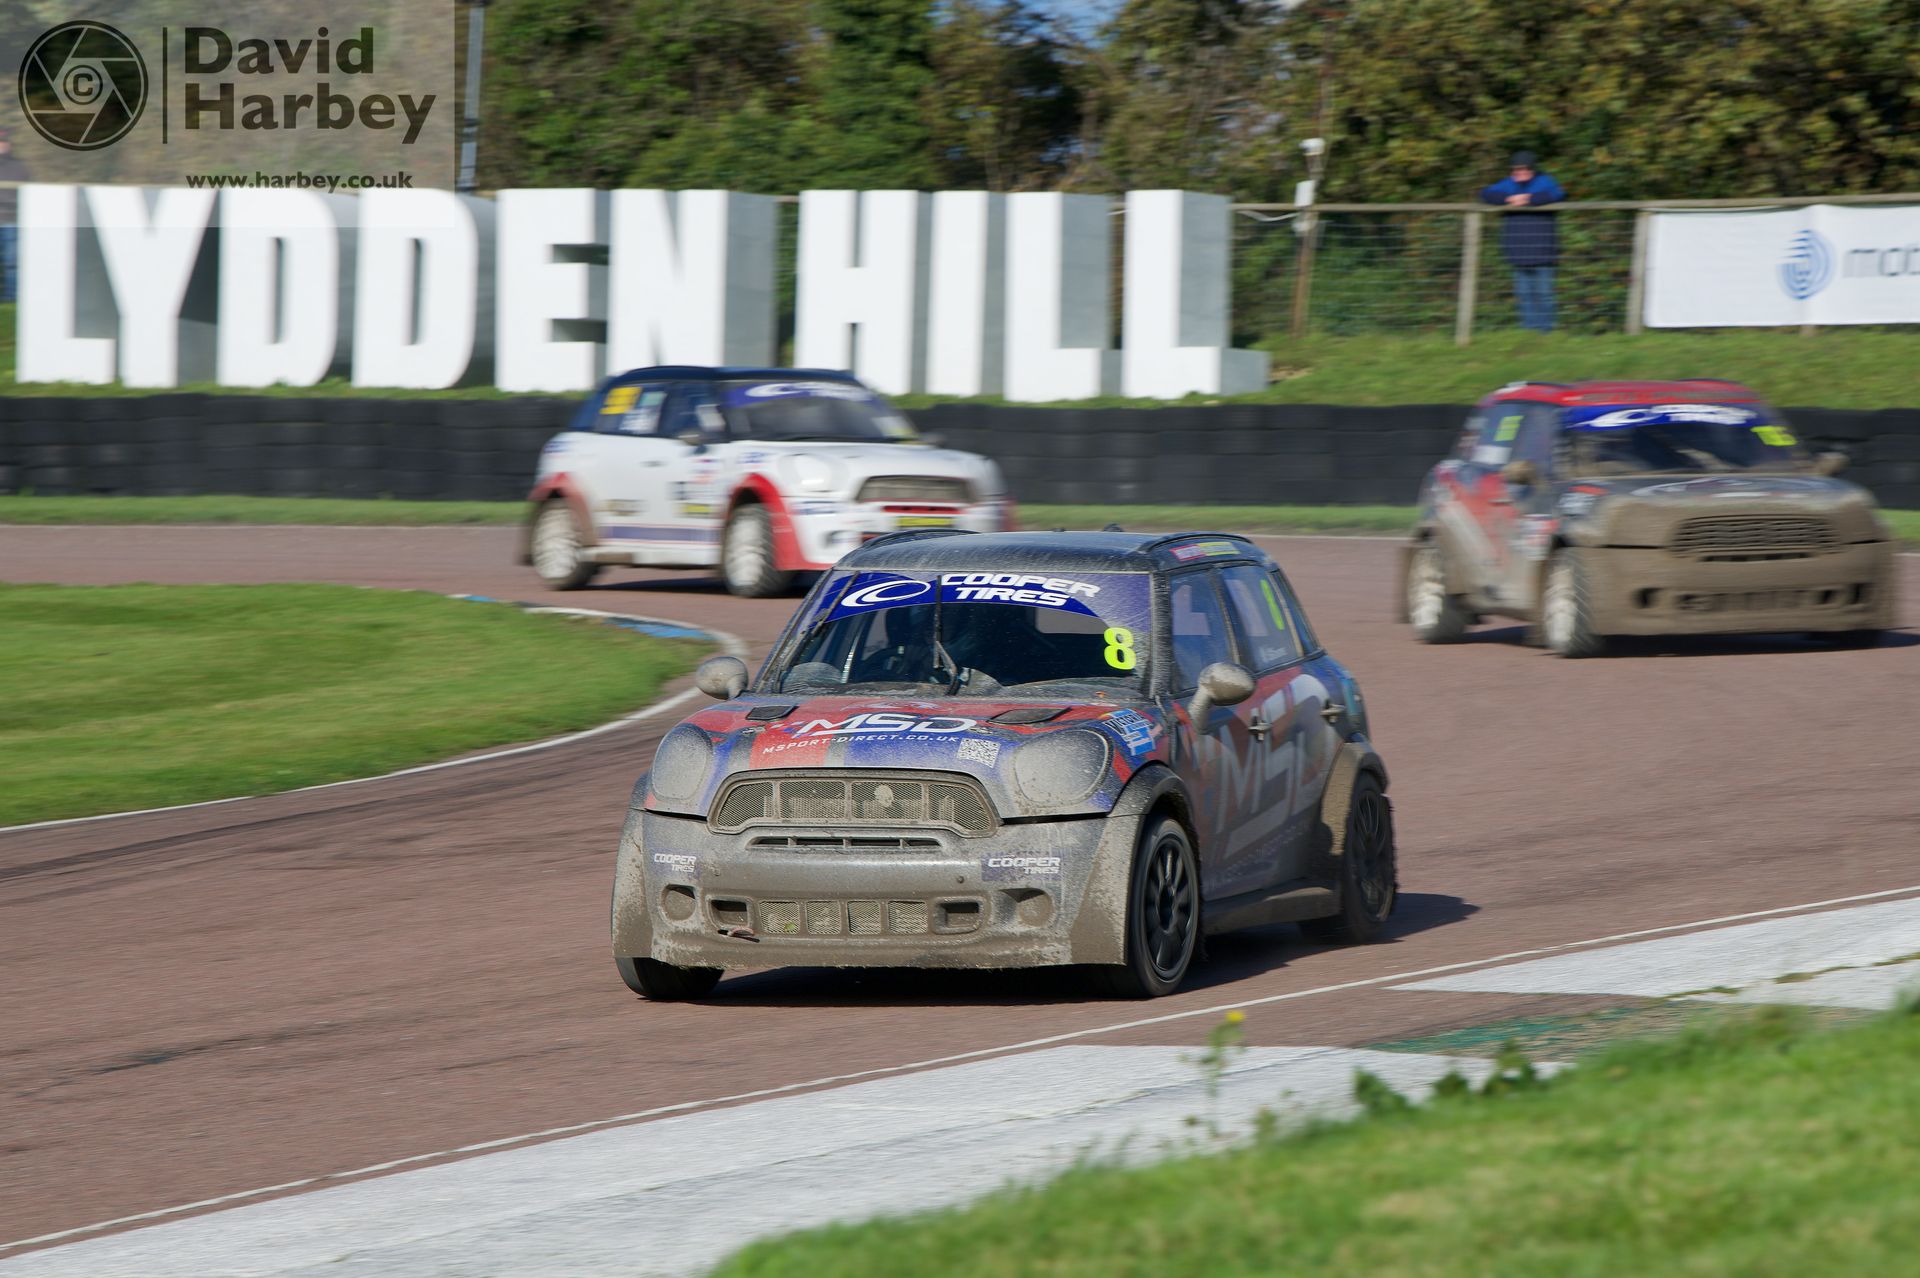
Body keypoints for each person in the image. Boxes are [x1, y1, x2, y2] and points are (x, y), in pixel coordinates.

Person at [1480, 150, 1565, 333]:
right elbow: (1486, 193)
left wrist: (1528, 199)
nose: (1517, 173)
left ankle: (1545, 332)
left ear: (1532, 169)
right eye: (1515, 170)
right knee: (1524, 295)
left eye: (1522, 170)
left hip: (1543, 251)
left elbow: (1557, 194)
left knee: (1544, 294)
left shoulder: (1544, 182)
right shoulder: (1508, 184)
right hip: (1517, 251)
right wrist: (1507, 199)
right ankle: (1528, 332)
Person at [0, 127, 28, 304]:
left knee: (11, 263)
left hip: (11, 221)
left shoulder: (19, 168)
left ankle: (11, 297)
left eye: (3, 142)